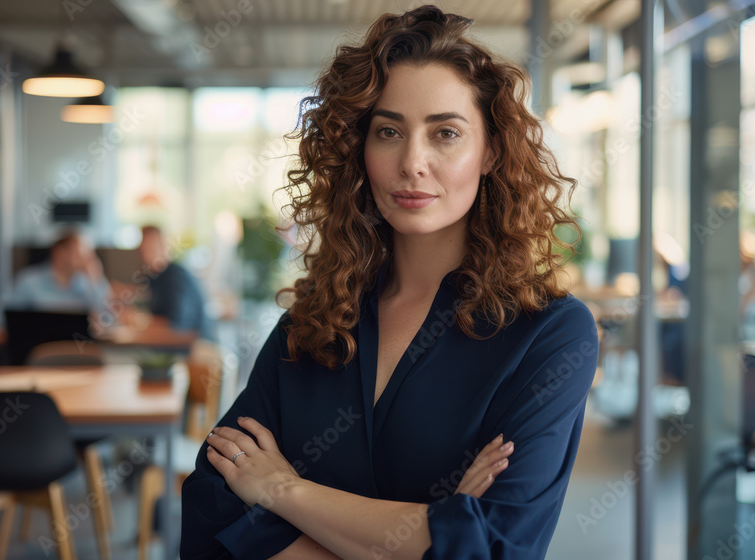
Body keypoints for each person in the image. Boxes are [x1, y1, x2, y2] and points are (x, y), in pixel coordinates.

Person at [181, 6, 599, 559]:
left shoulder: (549, 336)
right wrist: (435, 528)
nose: (412, 162)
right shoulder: (312, 323)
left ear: (490, 151)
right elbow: (210, 508)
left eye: (445, 132)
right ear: (362, 150)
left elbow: (496, 547)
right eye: (388, 131)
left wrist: (283, 491)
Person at [135, 225, 217, 342]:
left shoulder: (175, 277)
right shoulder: (154, 277)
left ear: (163, 247)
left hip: (194, 345)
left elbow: (175, 325)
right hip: (174, 344)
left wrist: (140, 321)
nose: (145, 254)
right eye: (143, 248)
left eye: (150, 248)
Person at [9, 230, 111, 312]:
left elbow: (108, 319)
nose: (87, 259)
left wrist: (95, 280)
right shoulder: (28, 281)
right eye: (81, 252)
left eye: (88, 253)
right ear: (59, 253)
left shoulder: (87, 284)